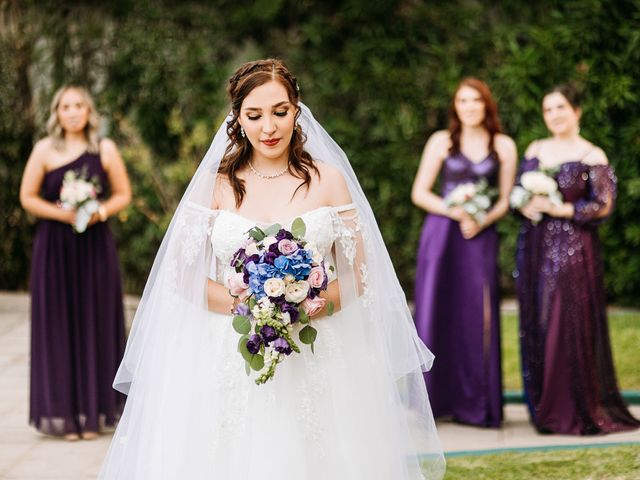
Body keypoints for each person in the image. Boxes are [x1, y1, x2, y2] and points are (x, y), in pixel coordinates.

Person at [98, 59, 445, 479]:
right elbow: (181, 277)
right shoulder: (217, 184)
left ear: (297, 110)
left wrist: (313, 304)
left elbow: (360, 275)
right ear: (237, 119)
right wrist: (247, 306)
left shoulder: (329, 180)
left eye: (280, 112)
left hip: (317, 353)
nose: (269, 127)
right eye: (255, 115)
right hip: (229, 351)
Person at [514, 84, 640, 435]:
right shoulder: (536, 149)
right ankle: (544, 407)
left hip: (572, 248)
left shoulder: (591, 154)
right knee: (537, 319)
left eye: (560, 108)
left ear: (576, 111)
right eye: (548, 109)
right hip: (534, 245)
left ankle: (569, 408)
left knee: (564, 321)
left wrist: (561, 208)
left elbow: (603, 204)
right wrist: (525, 204)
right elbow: (518, 192)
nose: (554, 115)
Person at [19, 85, 131, 440]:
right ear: (57, 112)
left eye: (79, 105)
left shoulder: (104, 148)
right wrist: (62, 214)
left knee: (96, 321)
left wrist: (97, 211)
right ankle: (65, 415)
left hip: (95, 246)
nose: (72, 111)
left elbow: (123, 194)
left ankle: (97, 413)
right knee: (60, 325)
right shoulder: (43, 150)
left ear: (88, 111)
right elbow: (27, 197)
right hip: (54, 249)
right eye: (65, 106)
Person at [411, 78, 517, 428]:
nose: (470, 106)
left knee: (479, 313)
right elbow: (420, 192)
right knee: (437, 308)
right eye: (463, 100)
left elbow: (505, 198)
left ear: (487, 105)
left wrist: (483, 218)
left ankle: (477, 401)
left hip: (479, 237)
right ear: (455, 106)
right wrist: (455, 210)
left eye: (476, 100)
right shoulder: (441, 141)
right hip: (442, 235)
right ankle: (437, 399)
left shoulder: (503, 145)